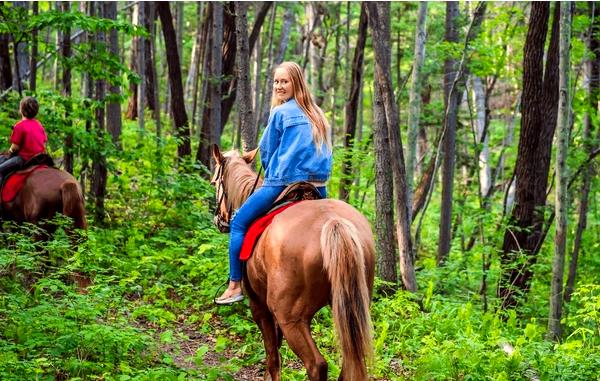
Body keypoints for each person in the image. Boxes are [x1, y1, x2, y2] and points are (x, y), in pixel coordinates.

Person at [215, 61, 332, 305]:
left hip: (284, 184)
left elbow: (267, 151)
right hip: (318, 188)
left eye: (284, 81)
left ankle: (235, 285)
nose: (279, 86)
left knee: (238, 223)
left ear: (296, 83)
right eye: (276, 82)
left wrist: (272, 173)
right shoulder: (318, 113)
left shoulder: (280, 113)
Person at [0, 96, 48, 185]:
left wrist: (9, 151)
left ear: (21, 110)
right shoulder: (39, 124)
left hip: (24, 159)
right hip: (39, 159)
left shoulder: (19, 126)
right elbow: (44, 142)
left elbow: (15, 148)